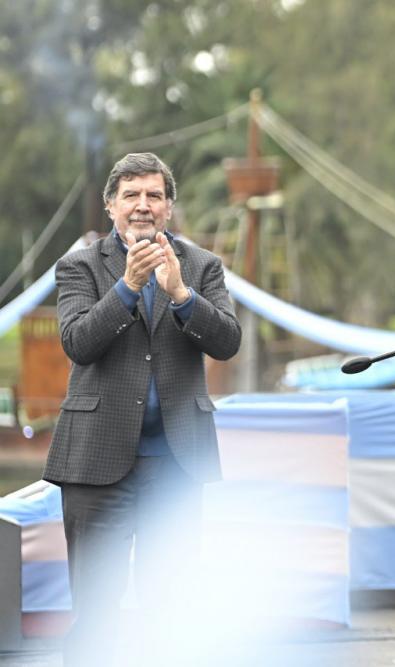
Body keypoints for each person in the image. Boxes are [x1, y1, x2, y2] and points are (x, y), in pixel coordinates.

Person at [46, 152, 242, 665]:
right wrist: (129, 286)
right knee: (95, 614)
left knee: (172, 608)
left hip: (176, 466)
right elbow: (78, 342)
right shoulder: (78, 266)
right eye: (130, 195)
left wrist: (180, 294)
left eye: (154, 195)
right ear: (111, 206)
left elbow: (227, 343)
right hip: (96, 465)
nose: (142, 205)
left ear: (169, 208)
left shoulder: (202, 266)